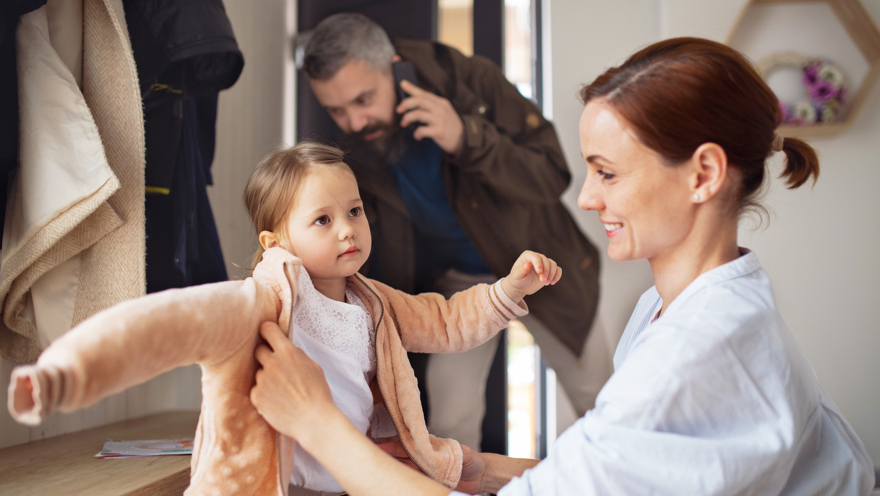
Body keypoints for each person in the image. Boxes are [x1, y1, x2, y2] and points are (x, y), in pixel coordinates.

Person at [250, 38, 876, 495]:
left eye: (606, 172)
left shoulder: (692, 356)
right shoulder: (686, 306)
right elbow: (595, 462)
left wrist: (318, 425)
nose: (586, 197)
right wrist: (468, 466)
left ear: (704, 174)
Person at [8, 141, 562, 495]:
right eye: (322, 219)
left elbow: (445, 321)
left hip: (354, 475)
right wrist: (65, 374)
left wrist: (508, 289)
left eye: (354, 211)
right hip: (277, 482)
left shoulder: (373, 301)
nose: (348, 229)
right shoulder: (261, 301)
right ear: (277, 241)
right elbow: (160, 325)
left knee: (465, 468)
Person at [301, 12, 609, 449]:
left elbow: (551, 172)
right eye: (337, 109)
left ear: (395, 64)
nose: (353, 122)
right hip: (455, 286)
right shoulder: (350, 142)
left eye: (364, 99)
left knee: (600, 402)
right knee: (448, 424)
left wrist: (468, 136)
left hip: (542, 266)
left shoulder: (470, 80)